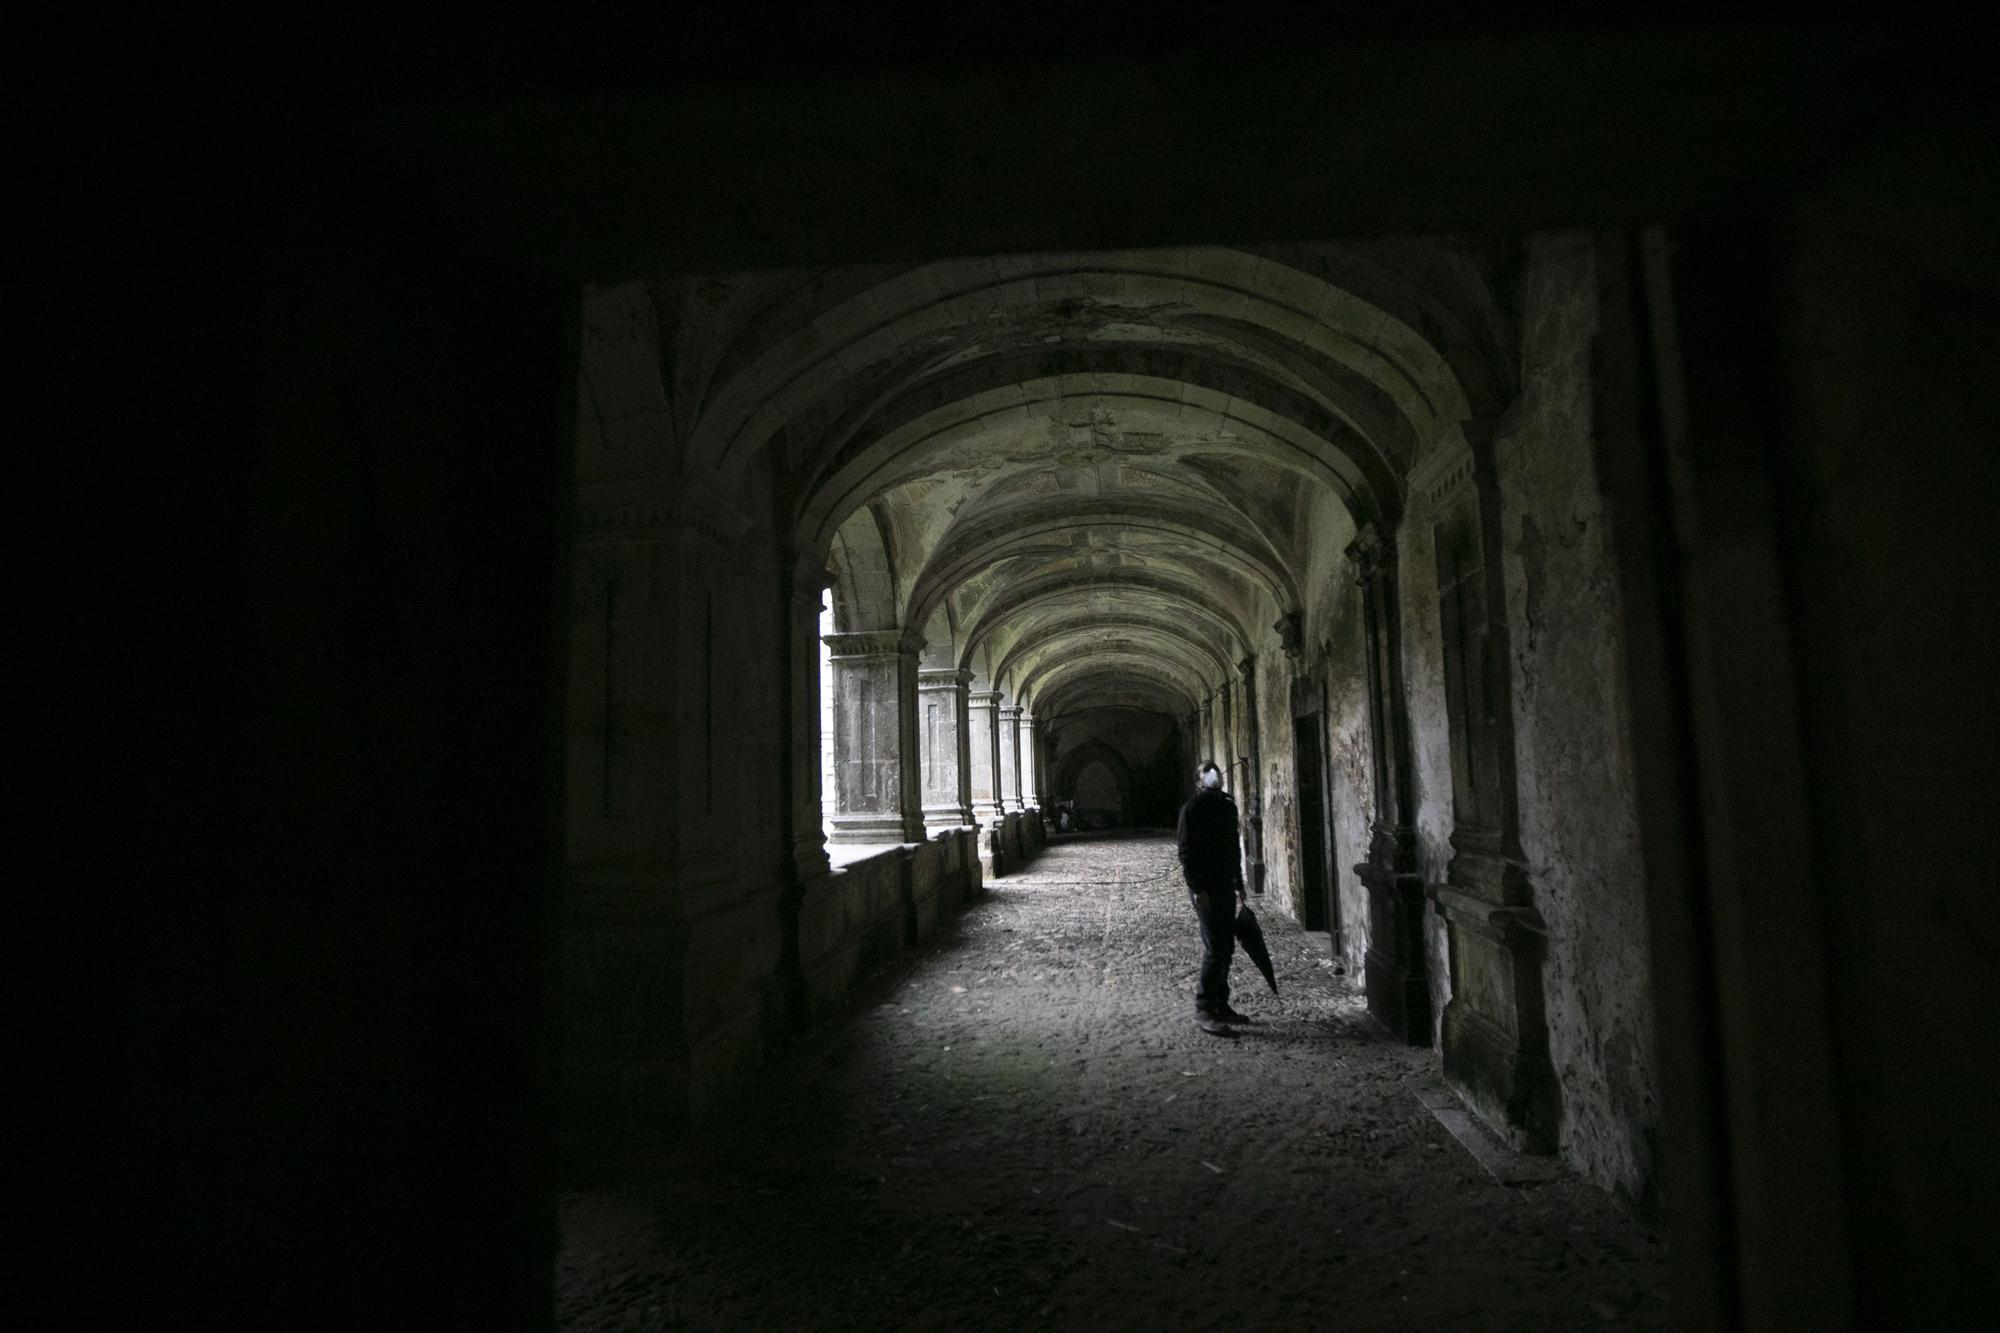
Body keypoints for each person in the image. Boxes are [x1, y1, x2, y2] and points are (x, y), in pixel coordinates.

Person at [1176, 760, 1252, 1035]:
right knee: (1215, 948)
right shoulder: (1192, 810)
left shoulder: (1227, 806)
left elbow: (1233, 846)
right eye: (1206, 774)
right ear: (1198, 782)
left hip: (1224, 884)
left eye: (1214, 772)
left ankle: (1220, 1004)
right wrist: (1197, 890)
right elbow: (1186, 854)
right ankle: (1204, 1008)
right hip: (1205, 888)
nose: (1212, 777)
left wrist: (1238, 881)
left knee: (1226, 947)